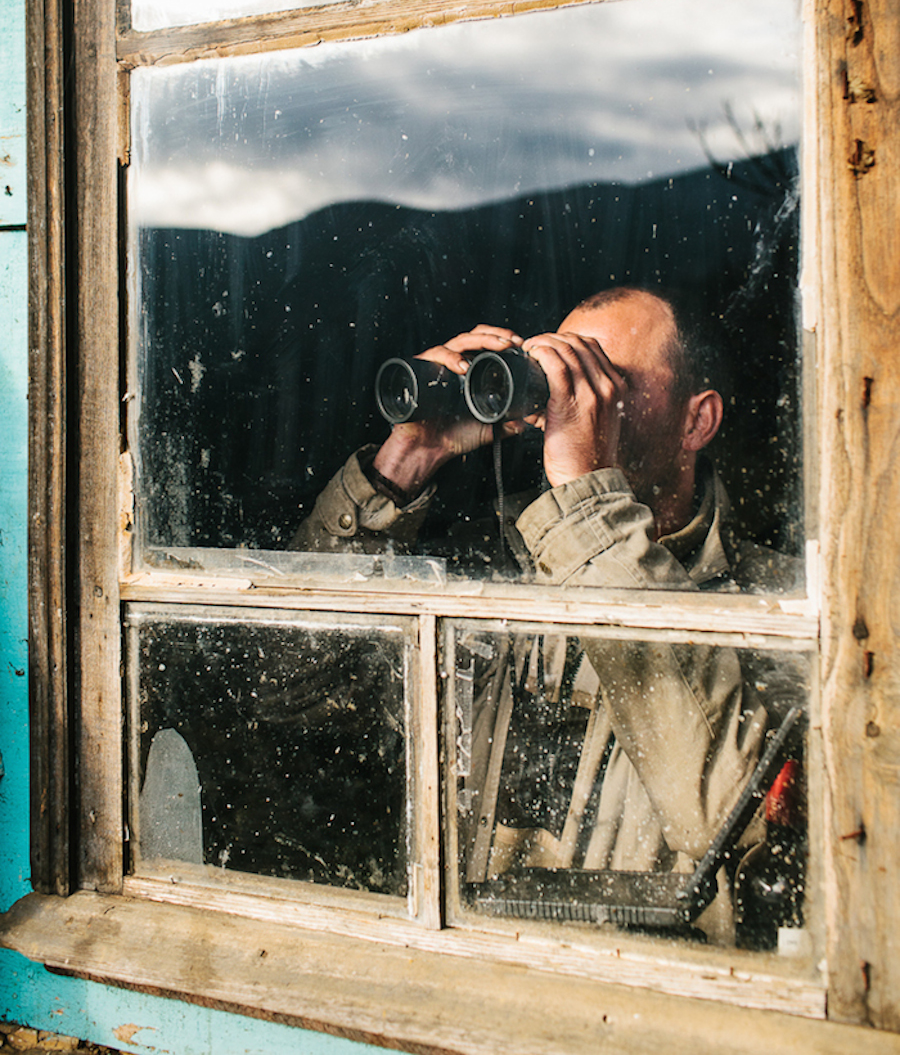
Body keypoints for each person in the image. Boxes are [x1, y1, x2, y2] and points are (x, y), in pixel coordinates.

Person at [292, 287, 804, 943]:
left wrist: (586, 506)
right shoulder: (488, 570)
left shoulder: (784, 607)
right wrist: (403, 465)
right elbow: (289, 693)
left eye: (603, 378)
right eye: (557, 372)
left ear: (696, 422)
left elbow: (734, 825)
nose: (572, 398)